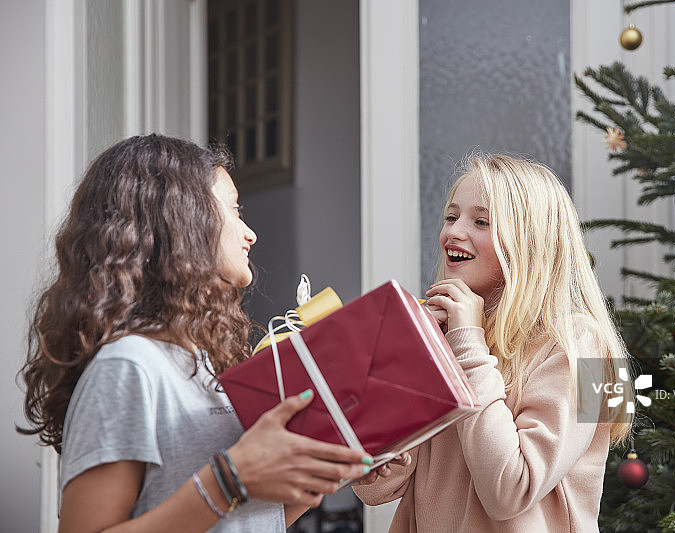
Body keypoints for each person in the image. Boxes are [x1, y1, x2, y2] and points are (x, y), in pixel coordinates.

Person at [17, 134, 373, 533]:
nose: (250, 233)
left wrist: (332, 466)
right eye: (234, 209)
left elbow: (247, 520)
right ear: (181, 221)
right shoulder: (129, 365)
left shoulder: (204, 364)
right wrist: (230, 480)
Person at [353, 153, 634, 532]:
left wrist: (467, 342)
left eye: (481, 221)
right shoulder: (444, 334)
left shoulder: (583, 342)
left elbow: (510, 490)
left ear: (530, 241)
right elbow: (374, 491)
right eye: (451, 217)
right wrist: (387, 451)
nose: (453, 232)